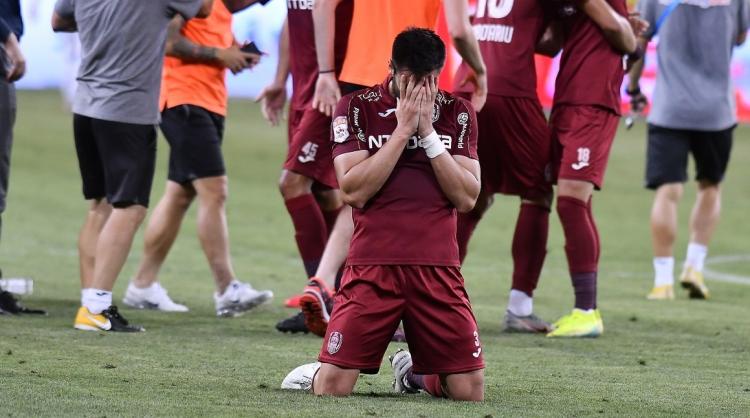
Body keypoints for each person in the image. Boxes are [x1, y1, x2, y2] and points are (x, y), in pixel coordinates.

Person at [281, 28, 484, 401]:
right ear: (391, 68)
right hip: (372, 268)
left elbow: (467, 197)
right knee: (333, 389)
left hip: (438, 268)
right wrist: (402, 131)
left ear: (439, 73)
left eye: (428, 80)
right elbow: (353, 191)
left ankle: (413, 374)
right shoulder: (356, 108)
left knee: (469, 392)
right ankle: (316, 373)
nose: (420, 90)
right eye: (410, 80)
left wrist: (428, 135)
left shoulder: (457, 112)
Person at [52, 0, 212, 332]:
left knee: (100, 205)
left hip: (86, 105)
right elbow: (205, 8)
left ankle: (90, 302)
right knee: (130, 207)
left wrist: (109, 26)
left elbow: (59, 21)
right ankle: (96, 308)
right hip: (128, 111)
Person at [122, 0, 274, 317]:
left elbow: (207, 36)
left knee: (179, 195)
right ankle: (227, 288)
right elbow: (168, 42)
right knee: (215, 190)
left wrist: (234, 53)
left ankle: (142, 285)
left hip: (206, 100)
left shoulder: (220, 8)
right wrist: (220, 54)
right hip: (184, 98)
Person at [628, 0, 749, 301]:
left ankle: (662, 281)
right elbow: (740, 37)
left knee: (668, 191)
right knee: (710, 186)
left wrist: (633, 88)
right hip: (717, 110)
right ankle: (694, 267)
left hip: (669, 108)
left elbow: (639, 42)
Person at [545, 0, 644, 337]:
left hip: (593, 102)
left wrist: (631, 38)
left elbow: (619, 31)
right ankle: (585, 310)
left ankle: (587, 311)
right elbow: (552, 42)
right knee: (577, 202)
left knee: (571, 201)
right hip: (567, 99)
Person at [256, 0, 353, 335]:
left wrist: (329, 76)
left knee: (292, 184)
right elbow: (292, 18)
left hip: (332, 90)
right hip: (304, 90)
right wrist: (280, 79)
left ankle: (322, 293)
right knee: (326, 192)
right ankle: (342, 296)